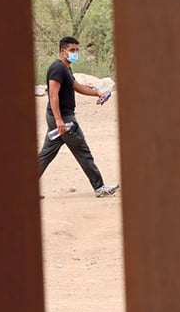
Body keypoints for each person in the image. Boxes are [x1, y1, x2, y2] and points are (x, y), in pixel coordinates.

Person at [37, 36, 119, 197]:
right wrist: (60, 120)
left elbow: (77, 86)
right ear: (62, 51)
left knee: (46, 153)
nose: (75, 53)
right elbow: (53, 95)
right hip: (64, 119)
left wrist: (97, 93)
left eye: (77, 50)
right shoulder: (57, 69)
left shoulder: (66, 68)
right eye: (72, 50)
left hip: (58, 118)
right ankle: (100, 187)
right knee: (82, 151)